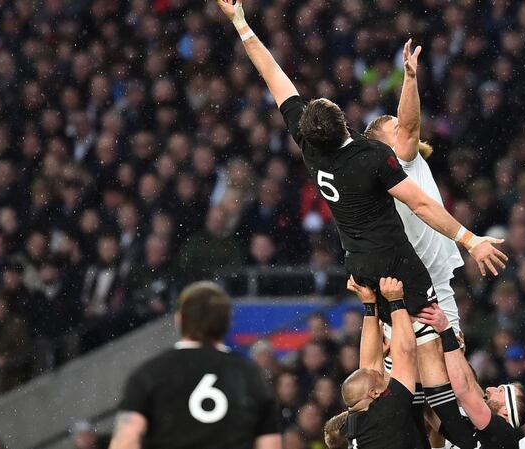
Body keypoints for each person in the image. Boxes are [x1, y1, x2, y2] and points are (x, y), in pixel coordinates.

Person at [214, 0, 502, 435]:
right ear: (348, 125)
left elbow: (275, 78)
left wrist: (241, 26)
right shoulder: (375, 158)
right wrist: (470, 238)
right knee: (431, 369)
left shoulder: (312, 150)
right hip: (399, 266)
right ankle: (477, 439)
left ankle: (374, 437)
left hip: (361, 266)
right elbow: (420, 196)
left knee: (390, 378)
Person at [364, 40, 464, 339]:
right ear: (384, 148)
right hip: (420, 289)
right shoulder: (399, 164)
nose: (408, 127)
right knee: (448, 367)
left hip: (407, 287)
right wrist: (409, 79)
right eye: (394, 130)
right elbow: (409, 128)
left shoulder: (400, 166)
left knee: (412, 377)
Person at [107, 281, 280, 449]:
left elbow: (126, 441)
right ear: (227, 323)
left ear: (179, 320)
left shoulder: (150, 373)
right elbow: (270, 445)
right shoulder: (250, 375)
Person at [417, 303, 525, 449]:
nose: (490, 389)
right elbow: (431, 408)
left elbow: (466, 390)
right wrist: (453, 358)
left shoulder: (504, 435)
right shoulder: (473, 430)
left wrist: (446, 332)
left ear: (506, 412)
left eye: (500, 391)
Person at [339, 276, 419, 449]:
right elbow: (406, 355)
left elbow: (368, 368)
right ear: (374, 393)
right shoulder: (386, 412)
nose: (383, 372)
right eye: (380, 377)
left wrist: (370, 305)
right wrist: (396, 301)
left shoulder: (357, 417)